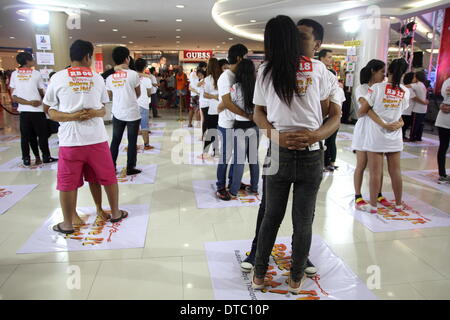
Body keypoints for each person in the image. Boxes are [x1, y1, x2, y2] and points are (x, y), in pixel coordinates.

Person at [240, 17, 339, 278]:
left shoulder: (321, 71)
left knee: (302, 216)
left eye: (303, 38)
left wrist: (315, 135)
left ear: (316, 44)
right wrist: (278, 136)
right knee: (271, 210)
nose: (296, 42)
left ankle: (298, 260)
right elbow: (259, 112)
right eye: (294, 36)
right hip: (279, 150)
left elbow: (331, 113)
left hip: (310, 152)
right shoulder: (270, 69)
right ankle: (258, 257)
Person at [43, 39, 128, 234]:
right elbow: (102, 109)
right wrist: (90, 113)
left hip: (70, 141)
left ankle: (67, 223)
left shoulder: (57, 77)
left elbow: (49, 110)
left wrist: (71, 116)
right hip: (96, 139)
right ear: (87, 56)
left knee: (67, 182)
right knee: (106, 177)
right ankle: (114, 212)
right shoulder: (97, 78)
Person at [358, 58, 409, 214]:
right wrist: (397, 123)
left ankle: (373, 205)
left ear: (389, 71)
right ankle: (399, 204)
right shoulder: (405, 91)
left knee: (375, 172)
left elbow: (363, 110)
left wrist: (377, 118)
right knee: (396, 171)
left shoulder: (377, 88)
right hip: (395, 135)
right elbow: (400, 114)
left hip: (376, 135)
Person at [352, 59, 393, 211]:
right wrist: (383, 122)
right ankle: (358, 195)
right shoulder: (361, 88)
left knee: (378, 165)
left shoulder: (382, 88)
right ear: (372, 71)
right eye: (382, 71)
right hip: (364, 129)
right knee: (361, 164)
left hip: (378, 130)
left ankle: (378, 194)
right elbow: (366, 108)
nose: (385, 75)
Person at [215, 44, 251, 200]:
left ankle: (233, 181)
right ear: (239, 58)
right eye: (246, 56)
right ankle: (220, 186)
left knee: (237, 156)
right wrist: (246, 115)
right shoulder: (226, 77)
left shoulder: (238, 75)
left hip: (238, 123)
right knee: (226, 156)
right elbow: (227, 103)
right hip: (227, 123)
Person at [9, 52, 57, 166]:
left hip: (24, 111)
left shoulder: (15, 74)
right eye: (31, 59)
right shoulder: (36, 74)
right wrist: (34, 102)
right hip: (37, 110)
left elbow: (13, 95)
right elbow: (41, 91)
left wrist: (27, 103)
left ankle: (27, 158)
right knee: (42, 135)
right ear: (27, 61)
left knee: (26, 136)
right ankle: (46, 156)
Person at [106, 46, 142, 175]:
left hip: (117, 112)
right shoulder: (133, 74)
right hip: (132, 112)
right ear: (127, 59)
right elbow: (138, 93)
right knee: (132, 142)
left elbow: (109, 95)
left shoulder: (110, 77)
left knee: (115, 140)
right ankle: (130, 167)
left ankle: (111, 167)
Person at [228, 59, 259, 198]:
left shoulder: (235, 87)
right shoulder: (257, 87)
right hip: (254, 126)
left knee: (239, 160)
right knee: (253, 159)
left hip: (240, 126)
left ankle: (234, 191)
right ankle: (254, 187)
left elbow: (230, 104)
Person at [319, 49, 339, 172]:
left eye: (332, 57)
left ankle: (329, 162)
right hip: (318, 115)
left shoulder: (331, 74)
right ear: (321, 58)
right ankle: (324, 162)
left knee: (330, 140)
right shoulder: (317, 73)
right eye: (328, 57)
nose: (330, 59)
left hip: (328, 113)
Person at [203, 59, 222, 157]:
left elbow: (205, 95)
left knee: (211, 131)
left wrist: (213, 96)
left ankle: (206, 151)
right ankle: (216, 151)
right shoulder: (222, 77)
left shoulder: (207, 79)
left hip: (212, 109)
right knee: (219, 132)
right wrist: (216, 96)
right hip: (222, 109)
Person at [135, 58, 154, 150]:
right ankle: (146, 144)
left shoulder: (131, 76)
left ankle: (132, 144)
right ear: (144, 67)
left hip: (133, 104)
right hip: (143, 104)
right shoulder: (147, 79)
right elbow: (149, 93)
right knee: (144, 125)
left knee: (133, 125)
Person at [436, 77, 450, 183]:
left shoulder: (447, 81)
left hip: (443, 118)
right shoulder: (447, 81)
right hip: (444, 118)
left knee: (443, 147)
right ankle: (442, 174)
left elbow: (444, 97)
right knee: (443, 147)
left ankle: (442, 174)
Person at [409, 71, 429, 142]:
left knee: (414, 124)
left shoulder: (416, 85)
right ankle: (418, 137)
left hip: (417, 108)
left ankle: (412, 137)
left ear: (417, 77)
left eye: (414, 76)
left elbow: (406, 87)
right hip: (423, 109)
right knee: (420, 124)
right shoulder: (423, 85)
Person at [402, 72, 416, 140]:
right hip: (407, 110)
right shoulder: (409, 89)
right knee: (405, 124)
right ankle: (402, 135)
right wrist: (424, 102)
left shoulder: (405, 87)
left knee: (405, 124)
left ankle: (403, 135)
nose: (415, 79)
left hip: (405, 110)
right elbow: (415, 98)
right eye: (414, 77)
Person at [197, 69, 209, 137]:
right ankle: (204, 134)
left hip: (204, 102)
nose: (199, 76)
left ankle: (203, 135)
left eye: (200, 75)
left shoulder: (204, 80)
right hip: (205, 101)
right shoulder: (204, 80)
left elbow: (198, 86)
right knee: (205, 118)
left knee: (204, 118)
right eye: (198, 75)